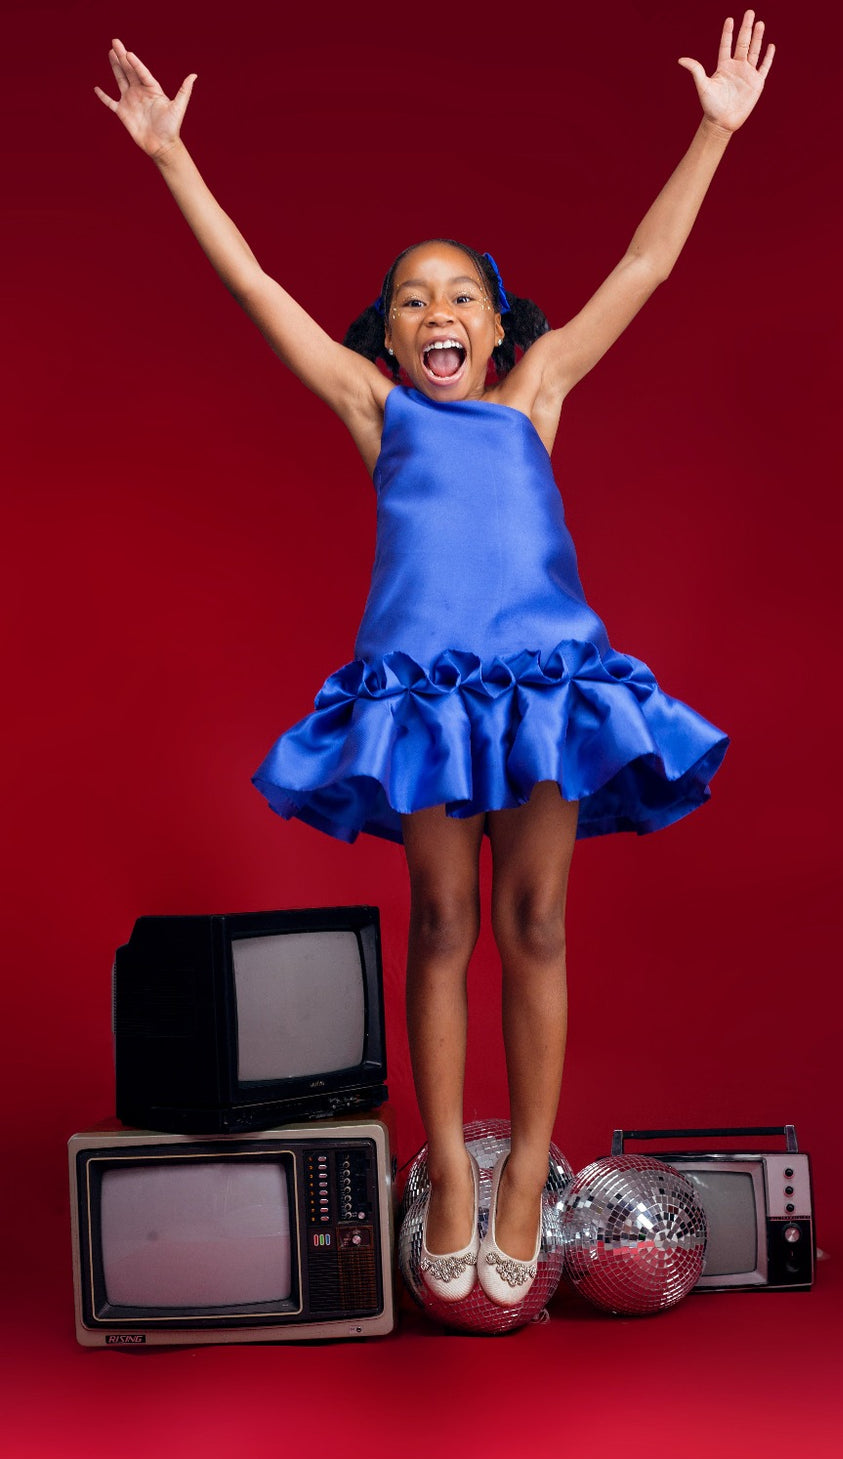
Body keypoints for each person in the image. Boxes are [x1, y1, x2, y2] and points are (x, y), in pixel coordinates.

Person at [96, 12, 775, 1308]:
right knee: (444, 923)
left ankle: (523, 1168)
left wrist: (714, 129)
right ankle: (450, 1176)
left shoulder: (538, 394)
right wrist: (173, 157)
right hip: (425, 701)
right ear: (391, 343)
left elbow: (644, 264)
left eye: (461, 293)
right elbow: (257, 293)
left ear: (498, 329)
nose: (438, 311)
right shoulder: (378, 409)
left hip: (542, 690)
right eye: (414, 300)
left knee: (535, 922)